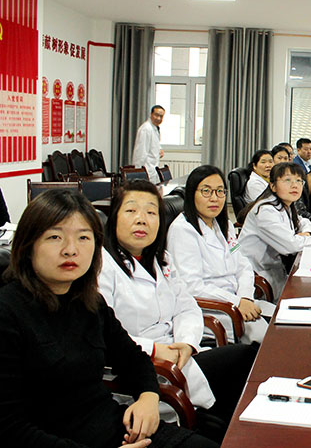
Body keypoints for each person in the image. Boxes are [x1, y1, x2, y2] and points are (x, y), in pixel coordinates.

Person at [0, 189, 217, 448]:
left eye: (83, 237)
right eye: (55, 237)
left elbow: (133, 358)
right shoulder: (8, 312)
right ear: (27, 246)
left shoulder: (89, 302)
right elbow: (9, 427)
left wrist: (148, 397)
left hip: (118, 430)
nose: (71, 250)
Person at [98, 180, 257, 441]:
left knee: (245, 363)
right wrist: (154, 350)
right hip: (145, 368)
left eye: (151, 212)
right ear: (114, 218)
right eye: (131, 211)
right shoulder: (102, 267)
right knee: (242, 363)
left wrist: (186, 342)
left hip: (179, 354)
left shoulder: (160, 259)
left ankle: (227, 431)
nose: (142, 219)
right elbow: (104, 335)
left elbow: (186, 306)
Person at [167, 165, 272, 344]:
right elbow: (192, 286)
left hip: (239, 300)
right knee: (270, 340)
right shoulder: (183, 230)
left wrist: (245, 296)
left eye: (220, 191)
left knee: (284, 320)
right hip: (214, 309)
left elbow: (243, 265)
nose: (214, 198)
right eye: (206, 191)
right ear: (192, 194)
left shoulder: (223, 225)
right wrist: (236, 302)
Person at [238, 162, 311, 300]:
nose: (295, 185)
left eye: (299, 181)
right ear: (273, 186)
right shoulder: (266, 211)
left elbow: (303, 222)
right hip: (257, 279)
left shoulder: (284, 205)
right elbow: (290, 245)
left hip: (276, 270)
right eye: (287, 180)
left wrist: (308, 234)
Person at [132, 105, 165, 184]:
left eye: (161, 116)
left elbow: (154, 144)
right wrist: (138, 172)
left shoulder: (154, 128)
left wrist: (159, 149)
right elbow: (140, 152)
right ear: (151, 114)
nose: (158, 118)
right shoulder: (146, 129)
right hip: (146, 170)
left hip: (152, 169)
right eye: (156, 115)